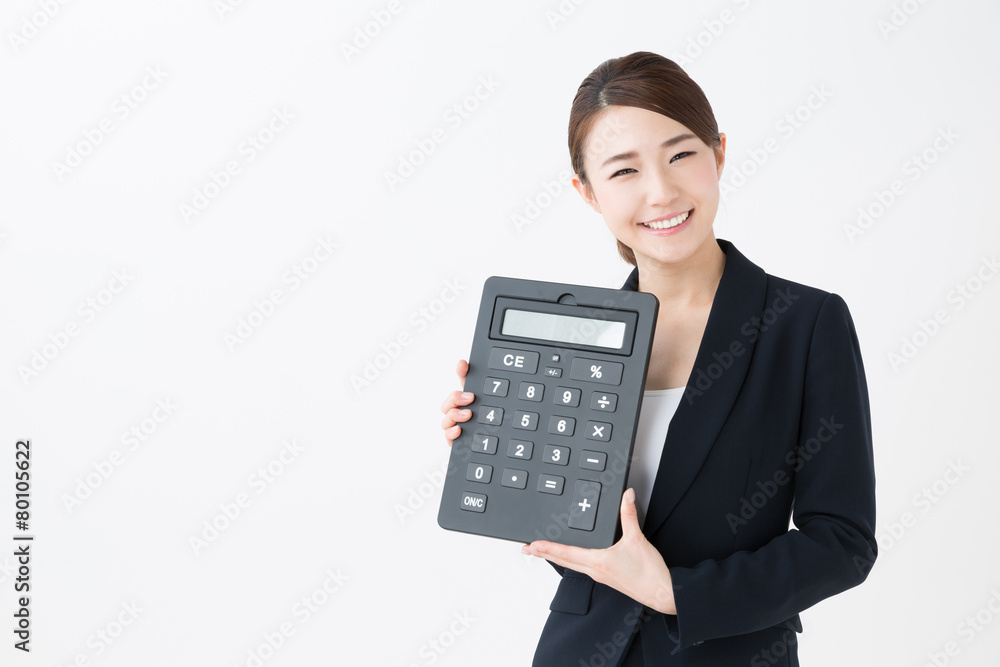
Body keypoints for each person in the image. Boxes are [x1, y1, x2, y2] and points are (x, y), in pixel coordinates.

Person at [439, 51, 877, 666]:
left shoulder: (805, 325)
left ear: (718, 153)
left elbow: (843, 543)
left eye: (681, 155)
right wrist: (501, 443)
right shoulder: (566, 343)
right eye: (623, 172)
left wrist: (675, 592)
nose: (661, 191)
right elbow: (573, 531)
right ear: (587, 193)